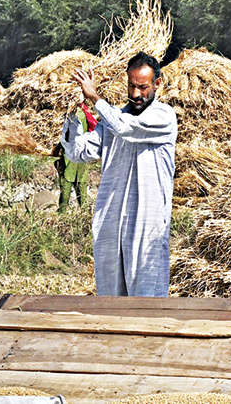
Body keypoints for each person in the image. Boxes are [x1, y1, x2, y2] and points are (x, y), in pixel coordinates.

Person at [61, 52, 177, 296]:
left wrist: (94, 98)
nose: (136, 94)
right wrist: (71, 114)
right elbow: (78, 152)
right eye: (132, 86)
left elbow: (125, 128)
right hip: (111, 218)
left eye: (143, 87)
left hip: (146, 219)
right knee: (110, 296)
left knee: (146, 295)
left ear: (157, 83)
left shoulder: (163, 117)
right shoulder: (111, 120)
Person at [55, 101, 97, 209]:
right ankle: (84, 213)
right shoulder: (85, 112)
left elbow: (62, 134)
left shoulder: (72, 114)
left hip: (71, 155)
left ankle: (63, 213)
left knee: (66, 186)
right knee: (81, 187)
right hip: (80, 155)